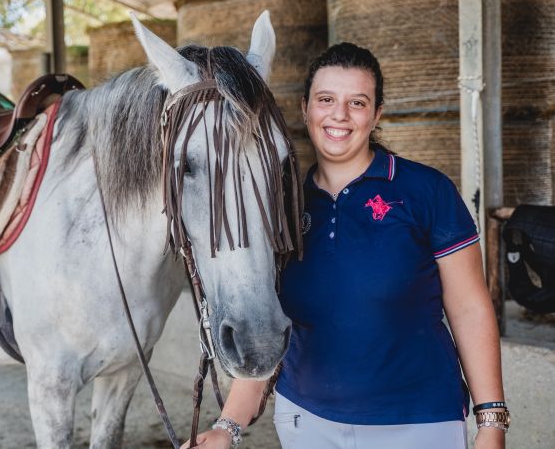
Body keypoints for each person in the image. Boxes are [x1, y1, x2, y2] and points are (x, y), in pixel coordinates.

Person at [183, 43, 508, 449]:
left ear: (376, 114)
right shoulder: (280, 207)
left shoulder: (427, 191)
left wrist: (491, 420)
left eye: (357, 102)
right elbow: (266, 318)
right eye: (326, 100)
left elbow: (469, 308)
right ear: (305, 109)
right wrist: (228, 427)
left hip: (419, 422)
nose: (339, 114)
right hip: (305, 421)